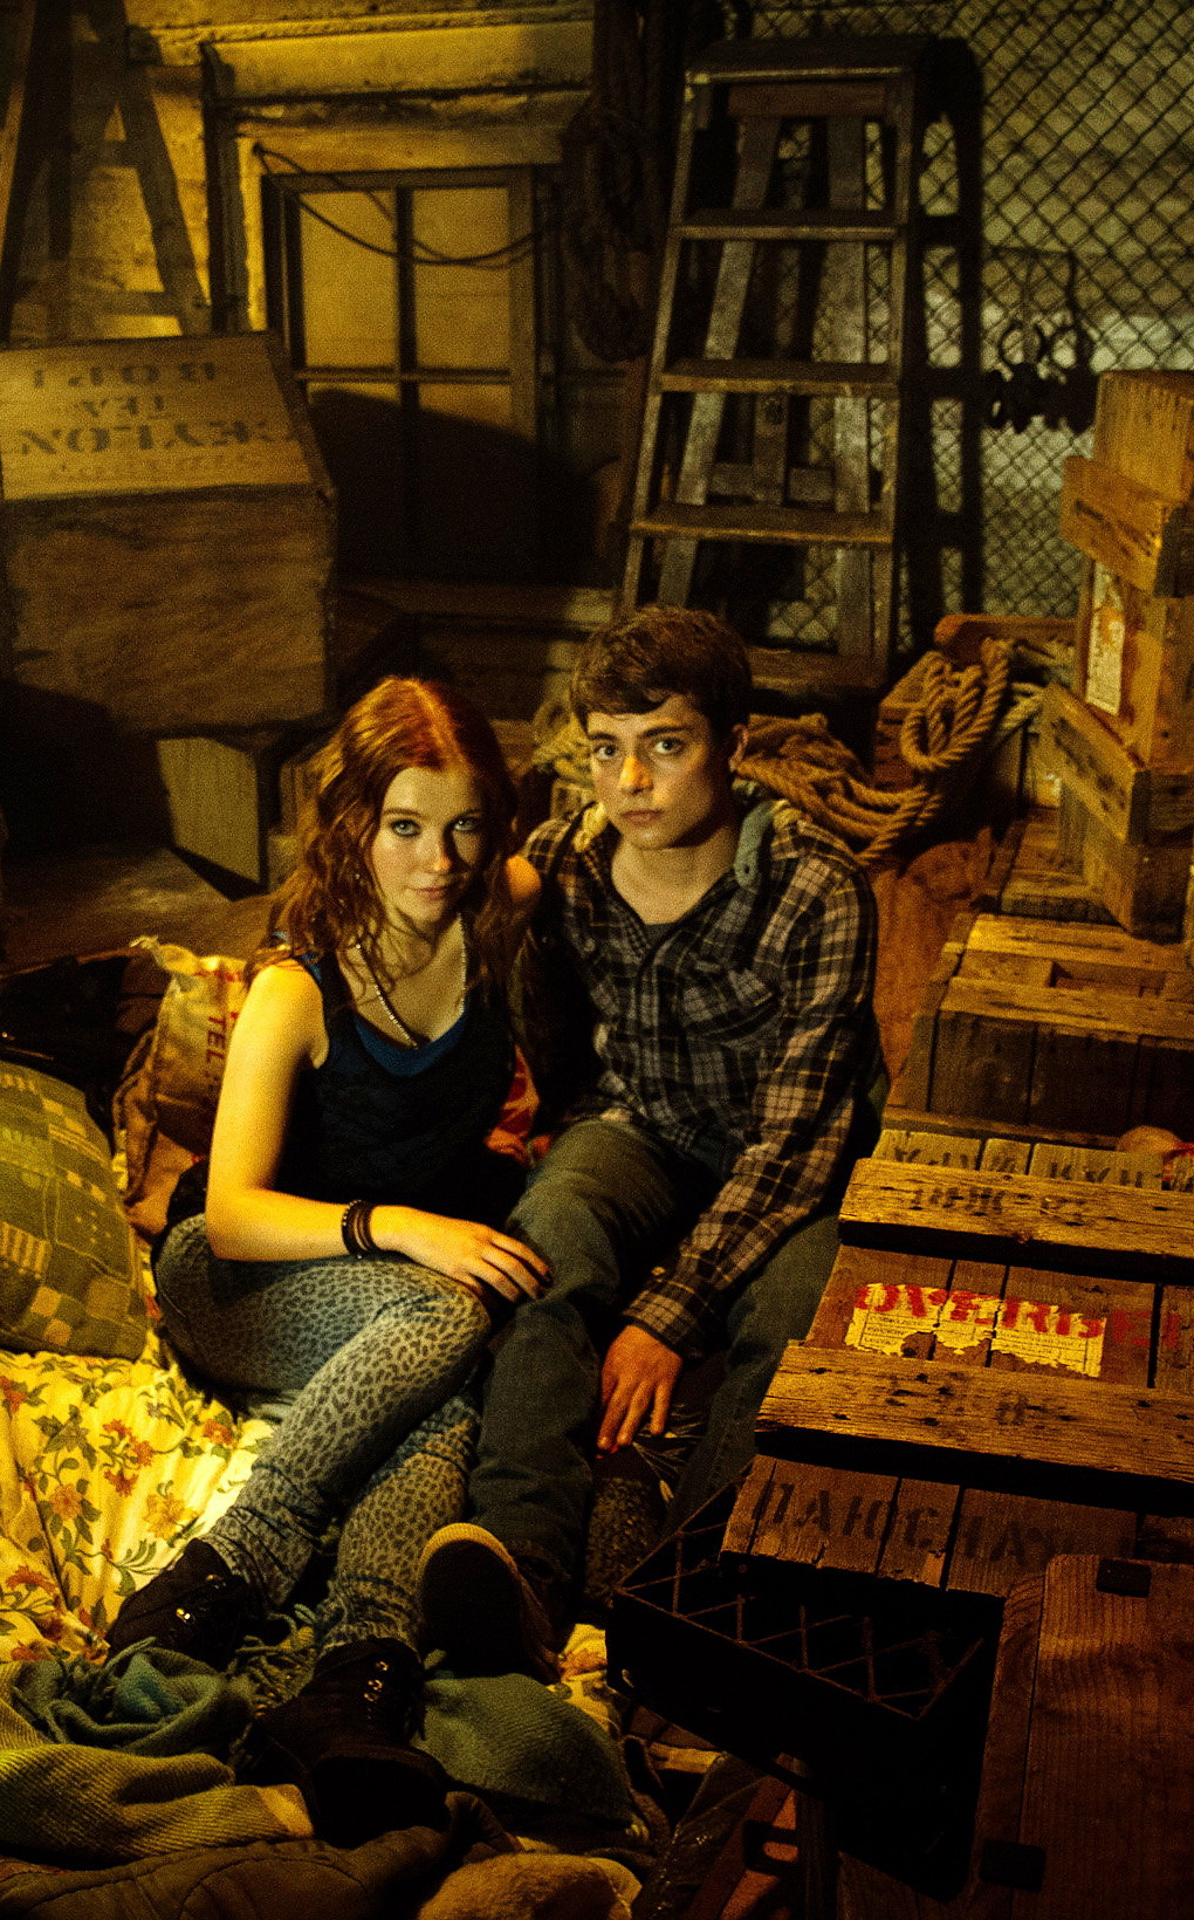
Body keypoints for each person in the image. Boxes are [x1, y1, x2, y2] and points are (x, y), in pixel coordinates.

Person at [106, 676, 547, 1845]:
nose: (437, 861)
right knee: (448, 1319)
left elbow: (599, 856)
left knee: (446, 1388)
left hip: (388, 1292)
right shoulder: (296, 987)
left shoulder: (499, 908)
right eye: (404, 826)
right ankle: (234, 1558)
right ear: (353, 824)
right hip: (237, 1279)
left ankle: (358, 1677)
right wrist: (398, 1224)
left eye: (463, 825)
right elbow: (234, 1213)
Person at [417, 605, 884, 1679]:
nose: (630, 781)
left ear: (732, 745)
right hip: (639, 1127)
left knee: (792, 1328)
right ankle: (520, 1561)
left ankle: (687, 1606)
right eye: (605, 750)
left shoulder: (814, 886)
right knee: (545, 1247)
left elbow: (799, 1145)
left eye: (664, 746)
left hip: (793, 1167)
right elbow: (445, 919)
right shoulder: (568, 862)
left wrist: (667, 1317)